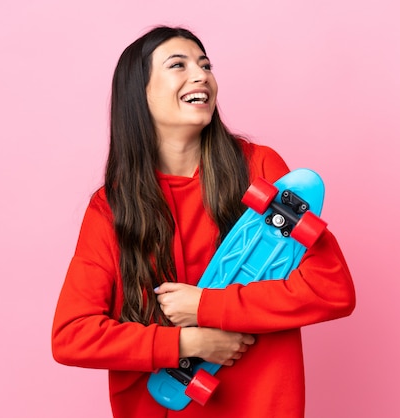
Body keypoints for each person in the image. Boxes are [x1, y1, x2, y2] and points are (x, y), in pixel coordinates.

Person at [51, 25, 356, 418]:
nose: (201, 76)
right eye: (178, 65)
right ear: (138, 93)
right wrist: (187, 343)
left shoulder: (258, 168)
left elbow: (332, 289)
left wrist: (206, 306)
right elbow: (72, 336)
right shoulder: (113, 207)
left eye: (205, 64)